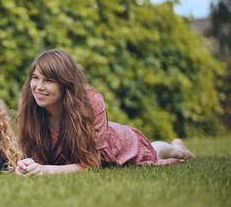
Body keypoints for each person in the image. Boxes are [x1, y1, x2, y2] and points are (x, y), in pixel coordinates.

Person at [15, 49, 195, 176]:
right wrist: (25, 165)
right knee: (156, 149)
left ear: (65, 84)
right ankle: (176, 148)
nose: (38, 87)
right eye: (35, 78)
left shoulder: (91, 101)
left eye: (48, 80)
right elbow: (29, 153)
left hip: (120, 145)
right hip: (87, 150)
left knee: (156, 151)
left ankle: (179, 150)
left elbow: (91, 164)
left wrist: (46, 170)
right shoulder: (27, 104)